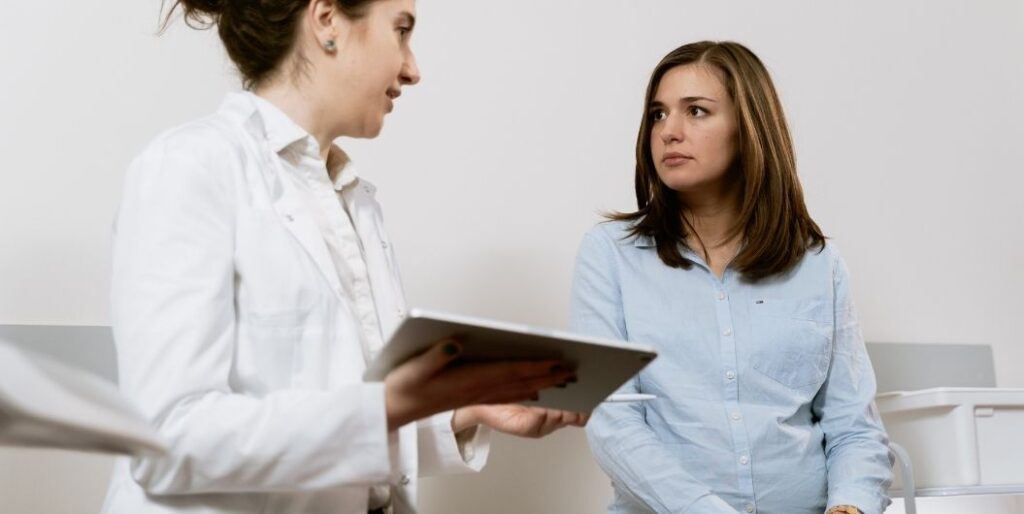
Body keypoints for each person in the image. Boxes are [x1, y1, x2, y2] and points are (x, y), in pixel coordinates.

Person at [102, 1, 586, 512]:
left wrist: (462, 408)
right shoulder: (187, 168)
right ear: (327, 20)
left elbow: (341, 423)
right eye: (400, 31)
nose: (412, 68)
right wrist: (386, 405)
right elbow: (167, 439)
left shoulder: (351, 198)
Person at [570, 41, 893, 514]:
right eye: (658, 114)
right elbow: (612, 422)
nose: (669, 132)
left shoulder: (818, 264)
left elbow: (853, 426)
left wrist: (850, 506)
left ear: (749, 129)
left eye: (696, 111)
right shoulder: (610, 255)